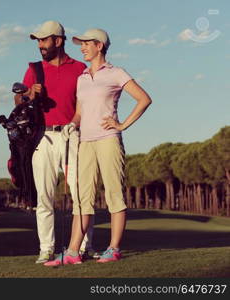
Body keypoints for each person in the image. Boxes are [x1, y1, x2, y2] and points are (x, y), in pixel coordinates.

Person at [45, 28, 152, 266]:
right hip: (85, 142)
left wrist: (122, 124)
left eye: (86, 44)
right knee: (82, 199)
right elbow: (80, 112)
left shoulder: (116, 73)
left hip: (108, 140)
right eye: (80, 44)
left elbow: (144, 99)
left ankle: (114, 249)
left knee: (114, 194)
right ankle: (73, 252)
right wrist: (71, 125)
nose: (81, 47)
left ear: (99, 46)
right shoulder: (82, 78)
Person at [14, 20, 95, 264]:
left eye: (43, 40)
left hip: (74, 135)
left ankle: (82, 247)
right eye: (37, 41)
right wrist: (28, 95)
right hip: (43, 136)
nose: (40, 45)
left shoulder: (80, 67)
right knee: (44, 198)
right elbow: (18, 102)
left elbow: (89, 102)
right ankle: (46, 249)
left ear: (57, 41)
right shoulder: (34, 69)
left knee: (81, 194)